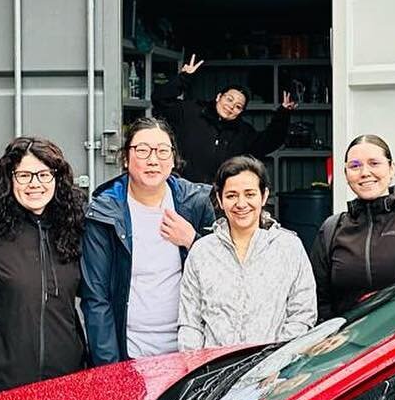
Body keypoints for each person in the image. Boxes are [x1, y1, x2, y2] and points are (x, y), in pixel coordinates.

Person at [81, 116, 214, 364]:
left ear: (173, 159)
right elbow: (96, 298)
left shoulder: (194, 204)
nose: (153, 160)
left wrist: (193, 241)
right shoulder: (104, 212)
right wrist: (110, 369)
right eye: (142, 150)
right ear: (125, 158)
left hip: (187, 353)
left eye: (163, 151)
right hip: (129, 352)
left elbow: (222, 280)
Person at [0, 137, 87, 392]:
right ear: (9, 178)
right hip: (2, 382)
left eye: (44, 174)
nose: (35, 184)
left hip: (66, 379)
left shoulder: (73, 226)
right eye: (25, 175)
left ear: (57, 178)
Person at [178, 156, 317, 349]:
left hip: (273, 373)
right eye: (231, 195)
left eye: (250, 194)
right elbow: (190, 323)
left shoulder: (289, 248)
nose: (241, 204)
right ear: (219, 199)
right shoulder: (202, 252)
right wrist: (196, 368)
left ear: (264, 195)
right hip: (214, 373)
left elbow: (302, 315)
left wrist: (278, 362)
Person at [311, 134, 395, 319]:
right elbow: (320, 301)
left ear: (392, 168)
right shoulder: (331, 230)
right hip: (352, 344)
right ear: (345, 174)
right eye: (355, 166)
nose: (364, 172)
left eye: (374, 163)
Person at [157, 53, 297, 184]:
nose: (231, 107)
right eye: (229, 99)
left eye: (238, 106)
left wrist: (283, 113)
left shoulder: (243, 132)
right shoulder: (192, 111)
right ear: (218, 97)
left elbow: (270, 141)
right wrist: (184, 77)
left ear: (241, 112)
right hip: (181, 188)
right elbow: (160, 99)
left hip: (218, 195)